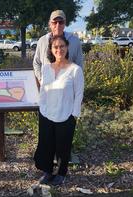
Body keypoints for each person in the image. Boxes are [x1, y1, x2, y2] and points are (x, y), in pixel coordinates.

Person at [34, 35, 84, 186]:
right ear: (51, 49)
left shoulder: (75, 70)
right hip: (47, 113)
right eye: (55, 47)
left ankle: (61, 173)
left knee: (63, 146)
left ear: (67, 48)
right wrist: (41, 108)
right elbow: (43, 90)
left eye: (62, 46)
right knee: (46, 144)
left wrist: (74, 115)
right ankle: (47, 171)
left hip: (66, 114)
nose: (59, 49)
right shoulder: (45, 68)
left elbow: (79, 94)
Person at [33, 10, 84, 82]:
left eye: (61, 22)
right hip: (47, 87)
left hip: (67, 87)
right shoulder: (42, 41)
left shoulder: (74, 41)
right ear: (50, 24)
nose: (58, 25)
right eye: (54, 22)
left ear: (65, 23)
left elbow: (79, 64)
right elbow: (36, 63)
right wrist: (41, 79)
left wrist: (76, 83)